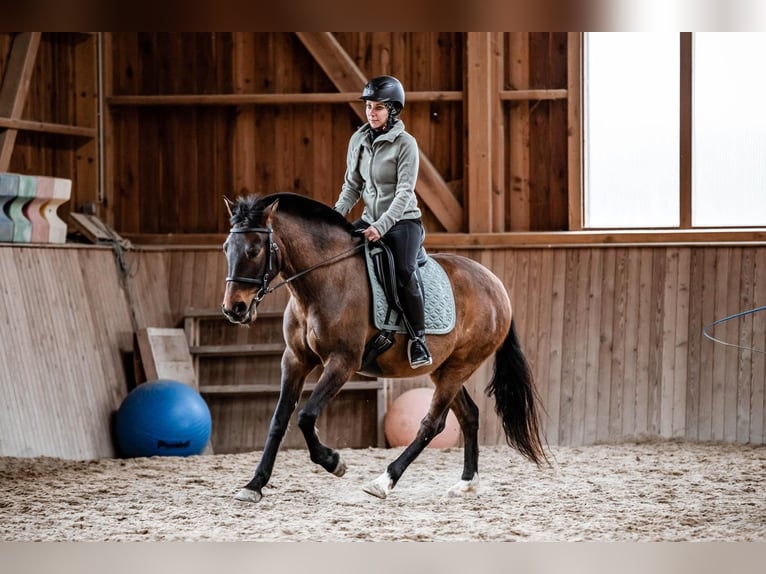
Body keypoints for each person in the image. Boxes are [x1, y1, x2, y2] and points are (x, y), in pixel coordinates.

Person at [334, 75, 432, 369]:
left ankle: (418, 339)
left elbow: (404, 192)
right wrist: (333, 218)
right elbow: (352, 187)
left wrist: (382, 225)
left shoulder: (406, 144)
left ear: (393, 110)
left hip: (403, 222)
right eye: (368, 107)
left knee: (403, 269)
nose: (371, 113)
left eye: (378, 108)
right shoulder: (359, 140)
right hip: (368, 219)